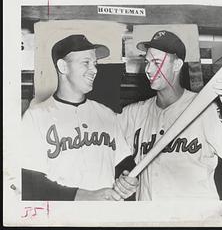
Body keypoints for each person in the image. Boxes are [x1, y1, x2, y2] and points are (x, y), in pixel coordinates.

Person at [117, 30, 222, 201]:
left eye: (156, 62)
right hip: (150, 218)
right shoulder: (134, 113)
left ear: (177, 65)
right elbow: (102, 151)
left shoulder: (205, 109)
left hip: (194, 218)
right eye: (147, 62)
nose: (148, 69)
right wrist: (123, 181)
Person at [19, 34, 138, 201]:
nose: (94, 69)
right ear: (63, 67)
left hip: (106, 217)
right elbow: (28, 181)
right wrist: (84, 196)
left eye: (95, 63)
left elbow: (124, 164)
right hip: (62, 220)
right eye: (86, 63)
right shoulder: (36, 116)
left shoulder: (107, 114)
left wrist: (129, 181)